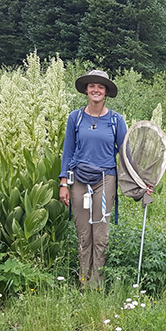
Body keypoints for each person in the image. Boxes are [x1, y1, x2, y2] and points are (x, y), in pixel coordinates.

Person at [59, 70, 127, 286]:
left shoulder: (116, 120)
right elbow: (68, 152)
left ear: (106, 92)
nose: (96, 90)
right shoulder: (75, 118)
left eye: (100, 87)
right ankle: (83, 280)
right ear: (86, 90)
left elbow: (126, 155)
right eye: (92, 86)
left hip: (105, 179)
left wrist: (141, 182)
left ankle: (96, 285)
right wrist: (63, 183)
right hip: (79, 180)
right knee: (83, 234)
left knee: (100, 235)